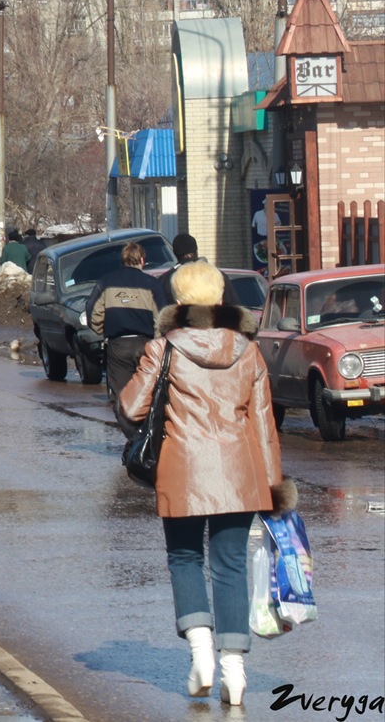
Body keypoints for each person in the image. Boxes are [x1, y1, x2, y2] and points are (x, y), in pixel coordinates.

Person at [119, 261, 292, 708]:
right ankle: (234, 673)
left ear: (178, 301)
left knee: (184, 558)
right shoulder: (248, 350)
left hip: (184, 472)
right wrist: (273, 486)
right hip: (241, 473)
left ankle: (201, 658)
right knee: (231, 566)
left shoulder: (165, 348)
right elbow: (264, 426)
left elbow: (132, 408)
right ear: (219, 299)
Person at [90, 241, 169, 419]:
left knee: (122, 397)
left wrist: (103, 330)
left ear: (123, 260)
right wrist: (157, 341)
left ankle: (127, 436)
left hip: (118, 345)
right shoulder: (152, 284)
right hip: (146, 344)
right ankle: (146, 433)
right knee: (149, 391)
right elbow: (162, 317)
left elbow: (93, 313)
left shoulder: (107, 282)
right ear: (142, 260)